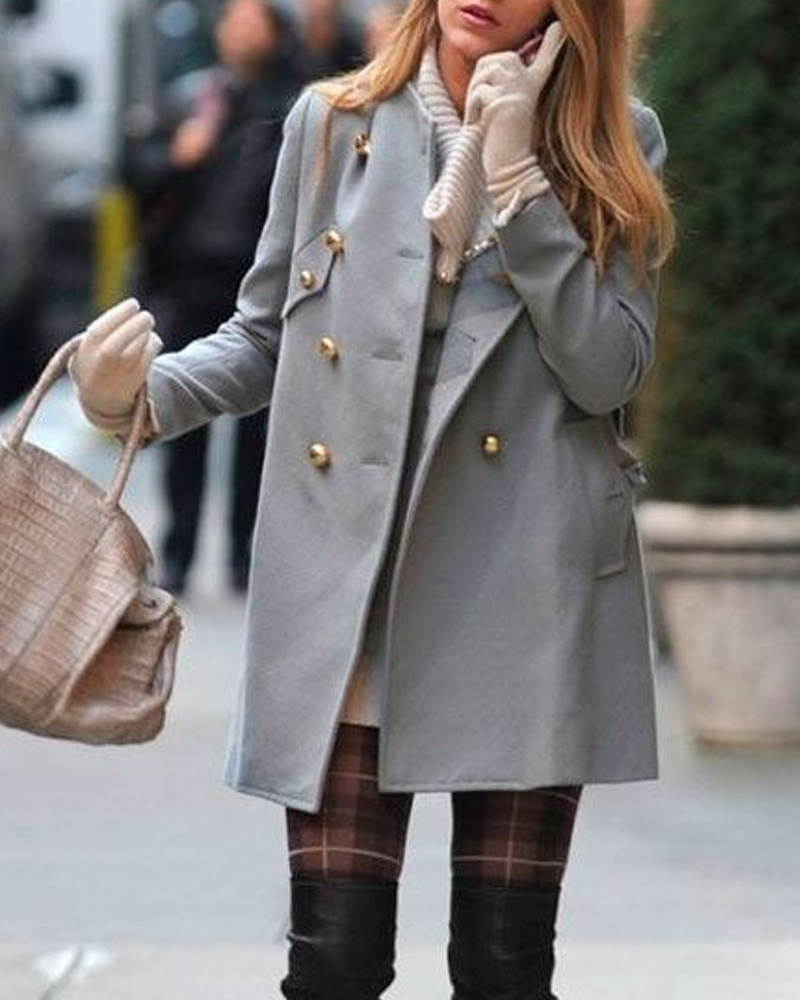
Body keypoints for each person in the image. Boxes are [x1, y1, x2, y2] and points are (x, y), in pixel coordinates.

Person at [68, 0, 675, 995]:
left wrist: (521, 186)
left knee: (503, 967)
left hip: (522, 583)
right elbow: (264, 335)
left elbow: (608, 370)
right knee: (335, 963)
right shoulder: (331, 123)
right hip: (349, 582)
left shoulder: (609, 139)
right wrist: (134, 397)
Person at [121, 0, 306, 594]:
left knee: (256, 432)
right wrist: (178, 156)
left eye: (255, 22)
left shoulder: (293, 108)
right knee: (182, 421)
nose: (240, 31)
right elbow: (136, 174)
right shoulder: (194, 98)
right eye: (234, 20)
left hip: (257, 279)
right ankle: (178, 552)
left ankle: (241, 556)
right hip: (188, 279)